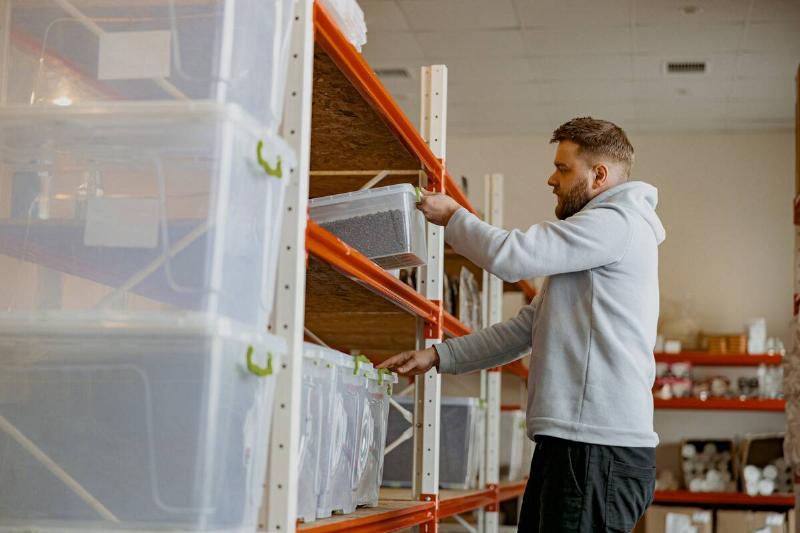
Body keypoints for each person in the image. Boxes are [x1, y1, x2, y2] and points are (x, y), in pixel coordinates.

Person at [377, 117, 665, 532]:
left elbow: (513, 257)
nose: (552, 179)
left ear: (599, 175)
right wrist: (439, 355)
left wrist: (454, 217)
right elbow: (525, 329)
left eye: (563, 168)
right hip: (575, 447)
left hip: (596, 450)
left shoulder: (616, 223)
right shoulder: (594, 243)